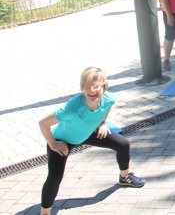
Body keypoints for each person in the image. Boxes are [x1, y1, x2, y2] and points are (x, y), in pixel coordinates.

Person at [38, 67, 145, 215]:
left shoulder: (109, 98)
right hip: (63, 140)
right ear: (82, 87)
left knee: (123, 144)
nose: (92, 90)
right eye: (87, 87)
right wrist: (53, 143)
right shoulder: (72, 108)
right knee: (55, 176)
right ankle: (45, 212)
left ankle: (124, 177)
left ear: (104, 86)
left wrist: (102, 123)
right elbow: (43, 123)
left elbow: (107, 107)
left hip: (88, 133)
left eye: (96, 86)